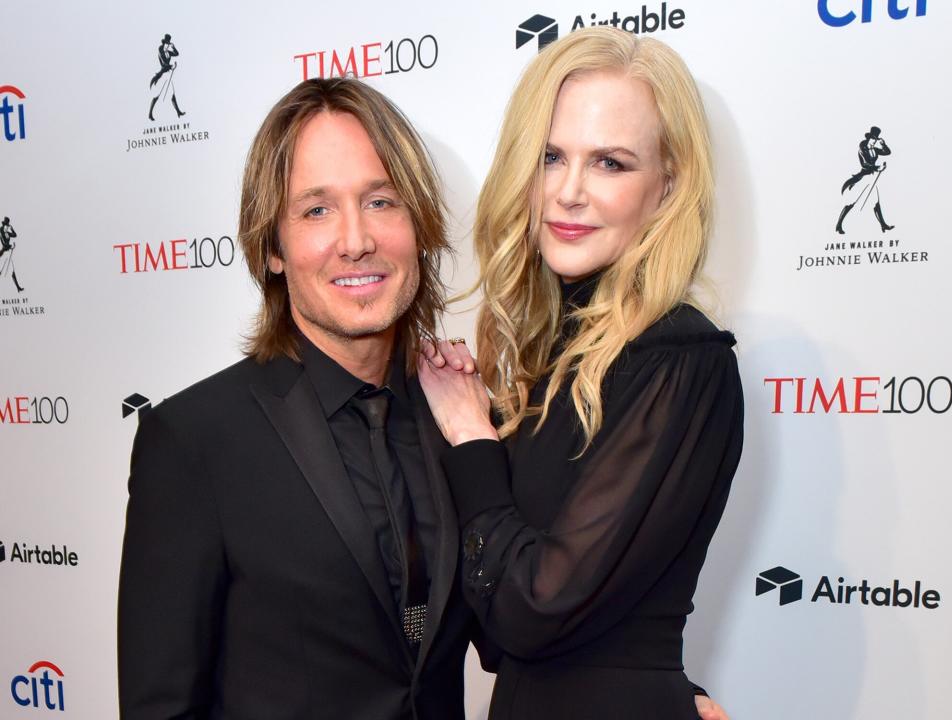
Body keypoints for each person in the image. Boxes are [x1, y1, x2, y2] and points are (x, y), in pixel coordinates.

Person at [117, 76, 729, 719]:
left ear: (421, 225)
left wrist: (655, 695)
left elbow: (521, 626)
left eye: (382, 202)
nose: (356, 239)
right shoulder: (194, 440)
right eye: (317, 210)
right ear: (272, 246)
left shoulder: (464, 425)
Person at [418, 29, 744, 719]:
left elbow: (534, 608)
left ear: (668, 185)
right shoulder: (556, 358)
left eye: (610, 164)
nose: (568, 192)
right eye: (551, 157)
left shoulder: (679, 360)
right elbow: (496, 636)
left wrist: (474, 441)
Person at [835, 126, 894, 234]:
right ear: (868, 138)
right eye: (873, 139)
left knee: (876, 202)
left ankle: (883, 225)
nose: (874, 141)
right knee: (851, 202)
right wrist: (877, 168)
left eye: (875, 139)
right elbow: (864, 164)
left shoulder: (874, 149)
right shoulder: (863, 147)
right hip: (864, 177)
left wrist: (883, 144)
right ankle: (838, 225)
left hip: (872, 177)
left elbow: (887, 152)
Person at [148, 33, 186, 121]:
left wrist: (173, 47)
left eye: (168, 44)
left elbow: (177, 54)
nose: (167, 45)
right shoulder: (160, 49)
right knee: (157, 95)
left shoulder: (168, 51)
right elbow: (163, 62)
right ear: (164, 43)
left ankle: (178, 111)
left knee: (172, 94)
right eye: (167, 43)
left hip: (168, 74)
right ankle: (150, 114)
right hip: (163, 74)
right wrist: (171, 66)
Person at [0, 216, 24, 293]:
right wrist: (9, 246)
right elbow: (4, 242)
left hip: (8, 252)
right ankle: (18, 288)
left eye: (7, 225)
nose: (7, 226)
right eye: (7, 225)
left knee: (12, 271)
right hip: (4, 252)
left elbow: (15, 235)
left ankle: (18, 288)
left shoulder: (6, 232)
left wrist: (11, 228)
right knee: (3, 271)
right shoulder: (2, 231)